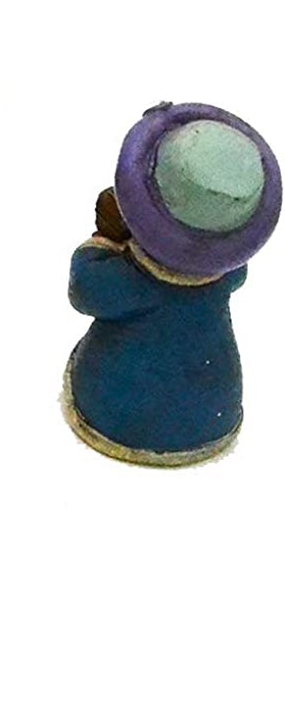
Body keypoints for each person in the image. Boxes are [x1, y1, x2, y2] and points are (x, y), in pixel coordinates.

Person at [65, 102, 280, 465]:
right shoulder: (224, 276)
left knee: (119, 386)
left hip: (119, 410)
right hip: (212, 404)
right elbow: (239, 274)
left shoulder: (132, 280)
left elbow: (84, 291)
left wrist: (104, 242)